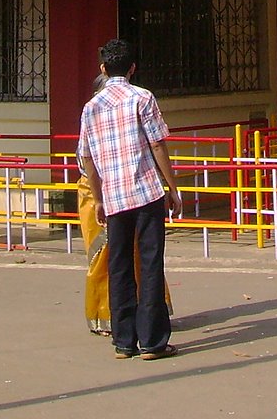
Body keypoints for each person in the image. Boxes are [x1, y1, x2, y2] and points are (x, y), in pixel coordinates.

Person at [77, 39, 182, 361]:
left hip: (113, 196)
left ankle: (124, 342)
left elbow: (87, 158)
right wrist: (172, 188)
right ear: (133, 68)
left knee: (119, 265)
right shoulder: (142, 97)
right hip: (146, 192)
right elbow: (158, 145)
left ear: (103, 69)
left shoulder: (91, 107)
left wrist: (98, 198)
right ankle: (152, 342)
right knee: (150, 264)